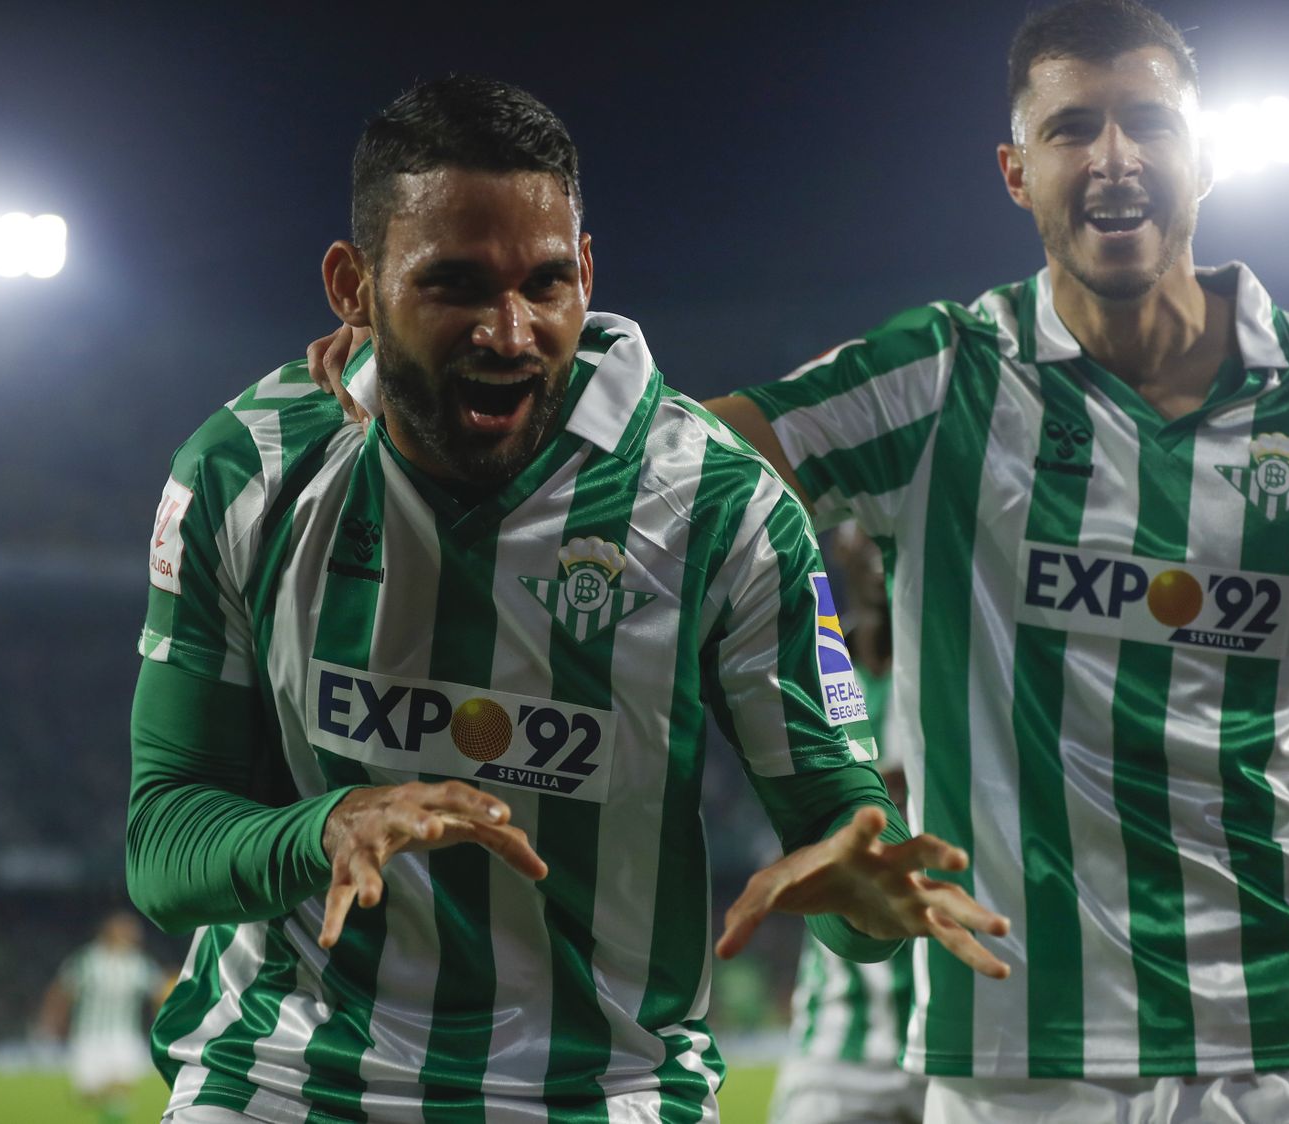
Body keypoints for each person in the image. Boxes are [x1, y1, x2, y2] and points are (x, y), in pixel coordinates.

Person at [129, 75, 1009, 1124]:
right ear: (352, 286)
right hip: (284, 1079)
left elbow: (832, 817)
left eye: (545, 283)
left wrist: (861, 900)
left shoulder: (717, 505)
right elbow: (164, 838)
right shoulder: (248, 470)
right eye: (455, 283)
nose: (509, 331)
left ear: (587, 272)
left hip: (603, 1092)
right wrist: (325, 827)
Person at [703, 2, 1289, 1119]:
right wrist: (402, 403)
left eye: (1148, 121)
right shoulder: (943, 376)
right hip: (1021, 1055)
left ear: (1205, 155)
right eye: (1072, 128)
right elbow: (677, 466)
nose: (1114, 157)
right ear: (1014, 171)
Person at [766, 525, 923, 1124]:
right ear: (842, 552)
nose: (879, 549)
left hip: (965, 1046)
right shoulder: (823, 688)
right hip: (839, 1051)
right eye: (861, 526)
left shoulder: (975, 689)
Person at [39, 911, 167, 1124]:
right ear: (110, 931)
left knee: (122, 1087)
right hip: (90, 1036)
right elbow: (61, 991)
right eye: (127, 929)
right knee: (88, 1095)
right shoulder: (87, 960)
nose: (134, 934)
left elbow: (159, 993)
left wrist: (164, 1018)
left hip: (124, 1034)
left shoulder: (139, 963)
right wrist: (52, 1021)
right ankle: (94, 1098)